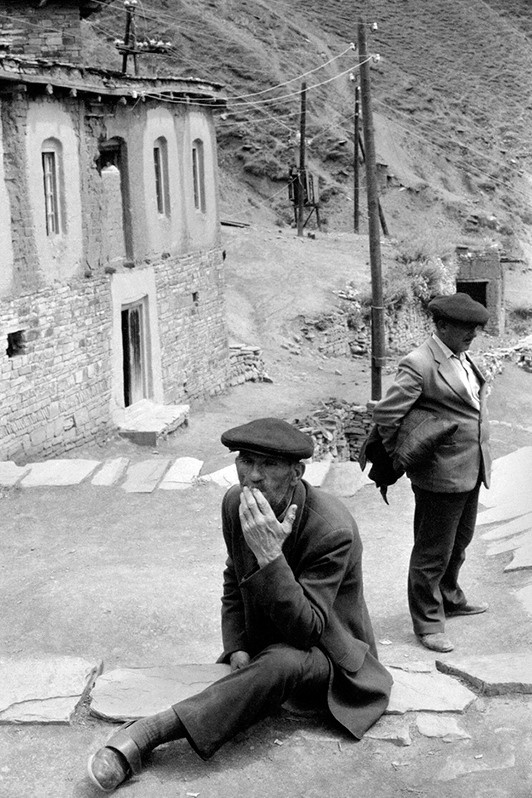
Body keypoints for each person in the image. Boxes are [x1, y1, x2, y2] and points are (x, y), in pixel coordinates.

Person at [88, 417, 392, 792]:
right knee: (273, 660)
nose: (253, 476)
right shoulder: (236, 503)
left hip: (330, 656)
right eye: (246, 461)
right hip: (271, 640)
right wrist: (236, 645)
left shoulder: (332, 529)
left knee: (284, 661)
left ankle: (149, 732)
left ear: (296, 473)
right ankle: (248, 681)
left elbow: (308, 630)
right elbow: (234, 576)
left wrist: (270, 556)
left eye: (269, 464)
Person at [372, 293, 491, 653]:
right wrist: (406, 456)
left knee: (459, 542)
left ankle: (450, 597)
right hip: (440, 474)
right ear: (441, 326)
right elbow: (387, 415)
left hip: (471, 467)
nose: (473, 333)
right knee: (432, 552)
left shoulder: (462, 356)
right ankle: (427, 622)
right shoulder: (420, 362)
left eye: (476, 327)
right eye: (465, 327)